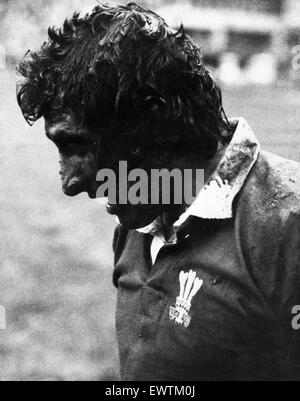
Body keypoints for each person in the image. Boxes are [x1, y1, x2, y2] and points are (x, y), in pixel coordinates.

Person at [17, 3, 300, 380]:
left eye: (77, 146)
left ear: (154, 129)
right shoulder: (141, 214)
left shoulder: (288, 229)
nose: (70, 182)